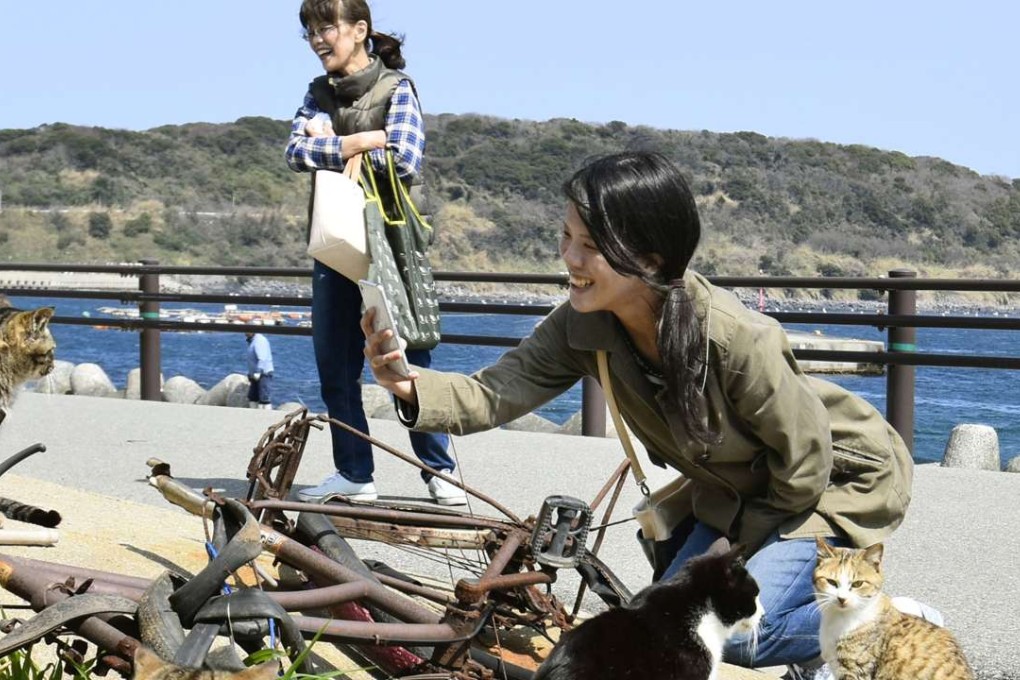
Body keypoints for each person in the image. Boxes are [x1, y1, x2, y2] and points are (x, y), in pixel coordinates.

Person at [362, 151, 915, 670]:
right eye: (566, 236)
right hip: (741, 490)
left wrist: (735, 551)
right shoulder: (583, 325)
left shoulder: (734, 339)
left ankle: (895, 627)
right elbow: (494, 391)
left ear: (649, 259)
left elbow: (804, 465)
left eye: (590, 246)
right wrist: (406, 383)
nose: (570, 258)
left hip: (836, 481)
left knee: (741, 633)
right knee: (670, 627)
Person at [285, 0, 464, 506]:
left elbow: (404, 158)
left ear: (359, 29)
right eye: (311, 31)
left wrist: (333, 139)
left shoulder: (396, 87)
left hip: (390, 240)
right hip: (337, 240)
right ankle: (354, 473)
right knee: (334, 365)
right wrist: (363, 139)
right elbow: (294, 152)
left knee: (407, 352)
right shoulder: (317, 92)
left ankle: (440, 471)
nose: (319, 39)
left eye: (327, 28)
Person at [245, 331, 274, 410]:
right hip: (255, 374)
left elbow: (262, 358)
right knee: (253, 397)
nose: (245, 333)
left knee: (264, 398)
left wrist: (258, 372)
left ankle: (265, 416)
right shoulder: (252, 340)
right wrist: (251, 373)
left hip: (263, 374)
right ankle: (253, 415)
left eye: (247, 331)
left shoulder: (260, 340)